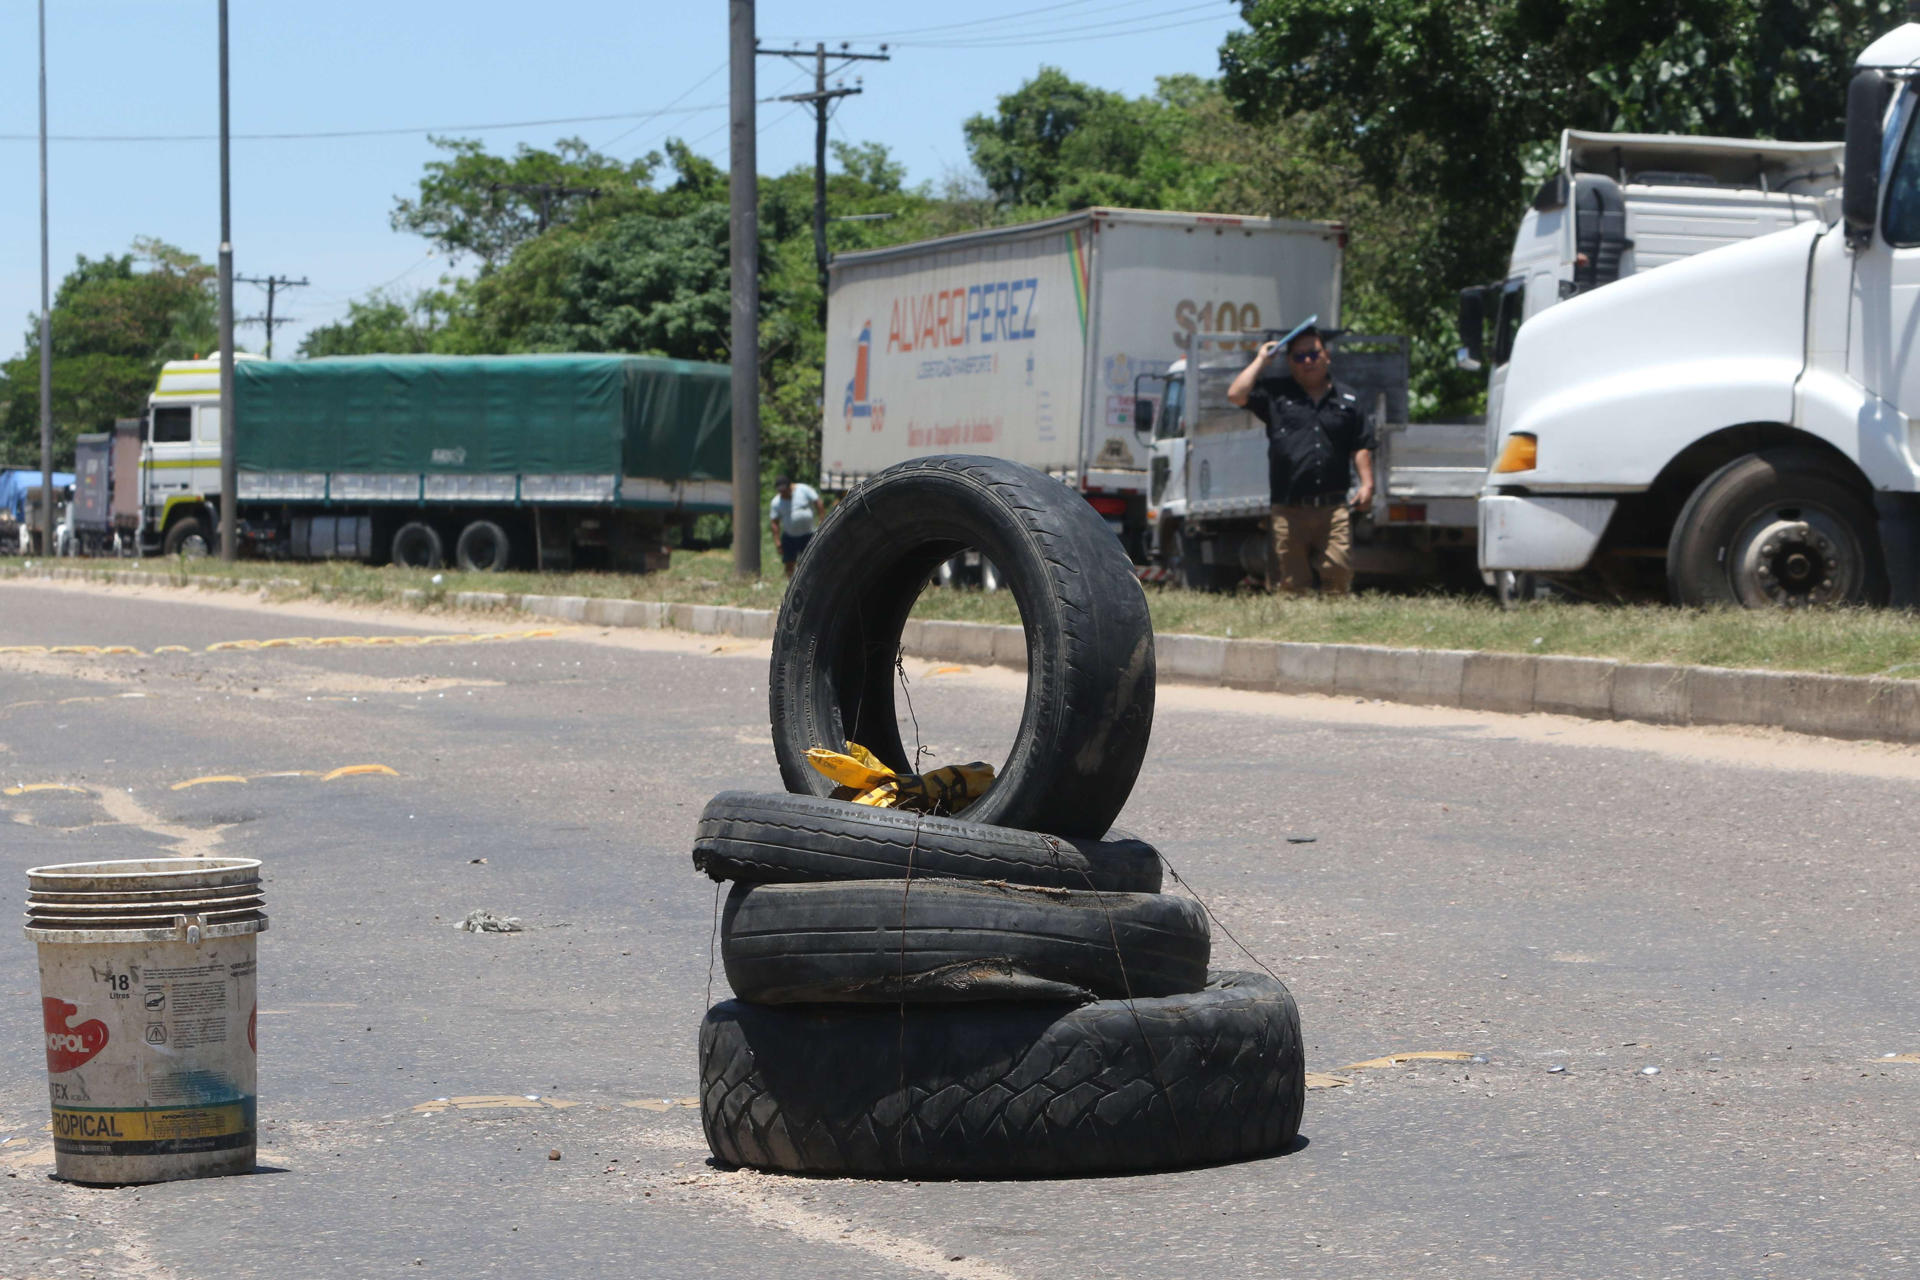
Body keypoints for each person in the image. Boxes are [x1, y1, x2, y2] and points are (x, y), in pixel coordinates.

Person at [1226, 325, 1375, 595]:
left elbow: (1361, 445)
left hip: (1333, 509)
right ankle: (1298, 629)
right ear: (1290, 362)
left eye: (1313, 354)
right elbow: (1236, 394)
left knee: (1338, 573)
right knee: (1291, 585)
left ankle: (1333, 626)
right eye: (1299, 356)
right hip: (1289, 510)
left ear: (1326, 356)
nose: (1308, 361)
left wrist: (1367, 484)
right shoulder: (1276, 395)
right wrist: (1261, 359)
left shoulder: (1348, 399)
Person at [768, 474, 823, 578]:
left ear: (790, 486)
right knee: (789, 562)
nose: (783, 494)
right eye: (780, 492)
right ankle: (790, 583)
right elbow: (774, 523)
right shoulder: (776, 502)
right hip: (790, 536)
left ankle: (810, 580)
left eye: (785, 491)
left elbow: (818, 502)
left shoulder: (803, 490)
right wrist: (777, 542)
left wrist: (822, 520)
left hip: (808, 535)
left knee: (810, 561)